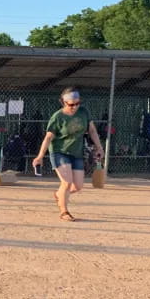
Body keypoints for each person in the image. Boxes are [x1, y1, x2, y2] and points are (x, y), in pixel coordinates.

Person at [32, 86, 104, 222]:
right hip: (60, 152)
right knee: (66, 182)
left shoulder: (84, 112)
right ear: (63, 102)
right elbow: (48, 138)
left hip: (76, 152)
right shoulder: (58, 117)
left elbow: (92, 131)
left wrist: (99, 147)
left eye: (77, 103)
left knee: (77, 186)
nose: (75, 107)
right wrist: (40, 156)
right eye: (71, 104)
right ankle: (64, 211)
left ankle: (59, 195)